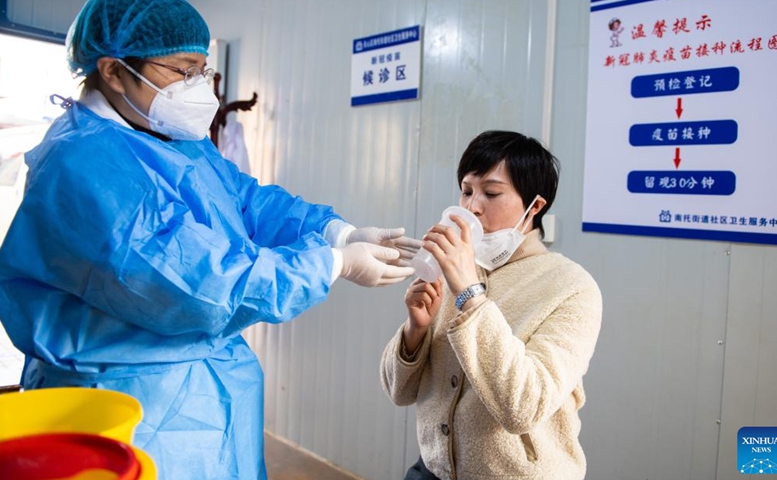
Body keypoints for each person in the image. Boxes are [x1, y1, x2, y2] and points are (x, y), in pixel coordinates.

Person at [0, 0, 420, 479]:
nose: (198, 87)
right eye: (183, 70)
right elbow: (199, 284)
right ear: (113, 70)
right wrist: (331, 264)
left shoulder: (166, 134)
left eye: (203, 70)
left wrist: (333, 230)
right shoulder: (84, 166)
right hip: (130, 403)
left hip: (204, 391)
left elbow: (242, 200)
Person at [380, 131, 603, 480]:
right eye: (466, 191)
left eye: (492, 192)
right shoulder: (457, 270)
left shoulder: (572, 287)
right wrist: (415, 330)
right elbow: (399, 391)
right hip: (433, 469)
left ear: (536, 206)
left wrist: (470, 293)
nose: (472, 207)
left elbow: (523, 407)